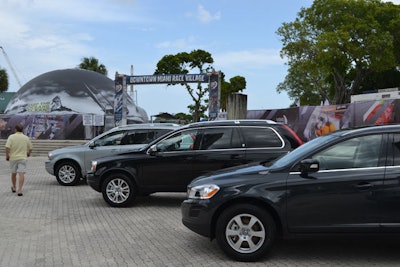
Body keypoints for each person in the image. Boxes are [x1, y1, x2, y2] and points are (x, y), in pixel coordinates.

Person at [5, 124, 33, 196]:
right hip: (22, 158)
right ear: (22, 130)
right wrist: (28, 153)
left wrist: (7, 156)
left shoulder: (11, 137)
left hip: (13, 158)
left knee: (13, 173)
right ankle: (20, 190)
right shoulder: (26, 138)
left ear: (15, 130)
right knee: (21, 174)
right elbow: (30, 148)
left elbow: (7, 147)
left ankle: (14, 187)